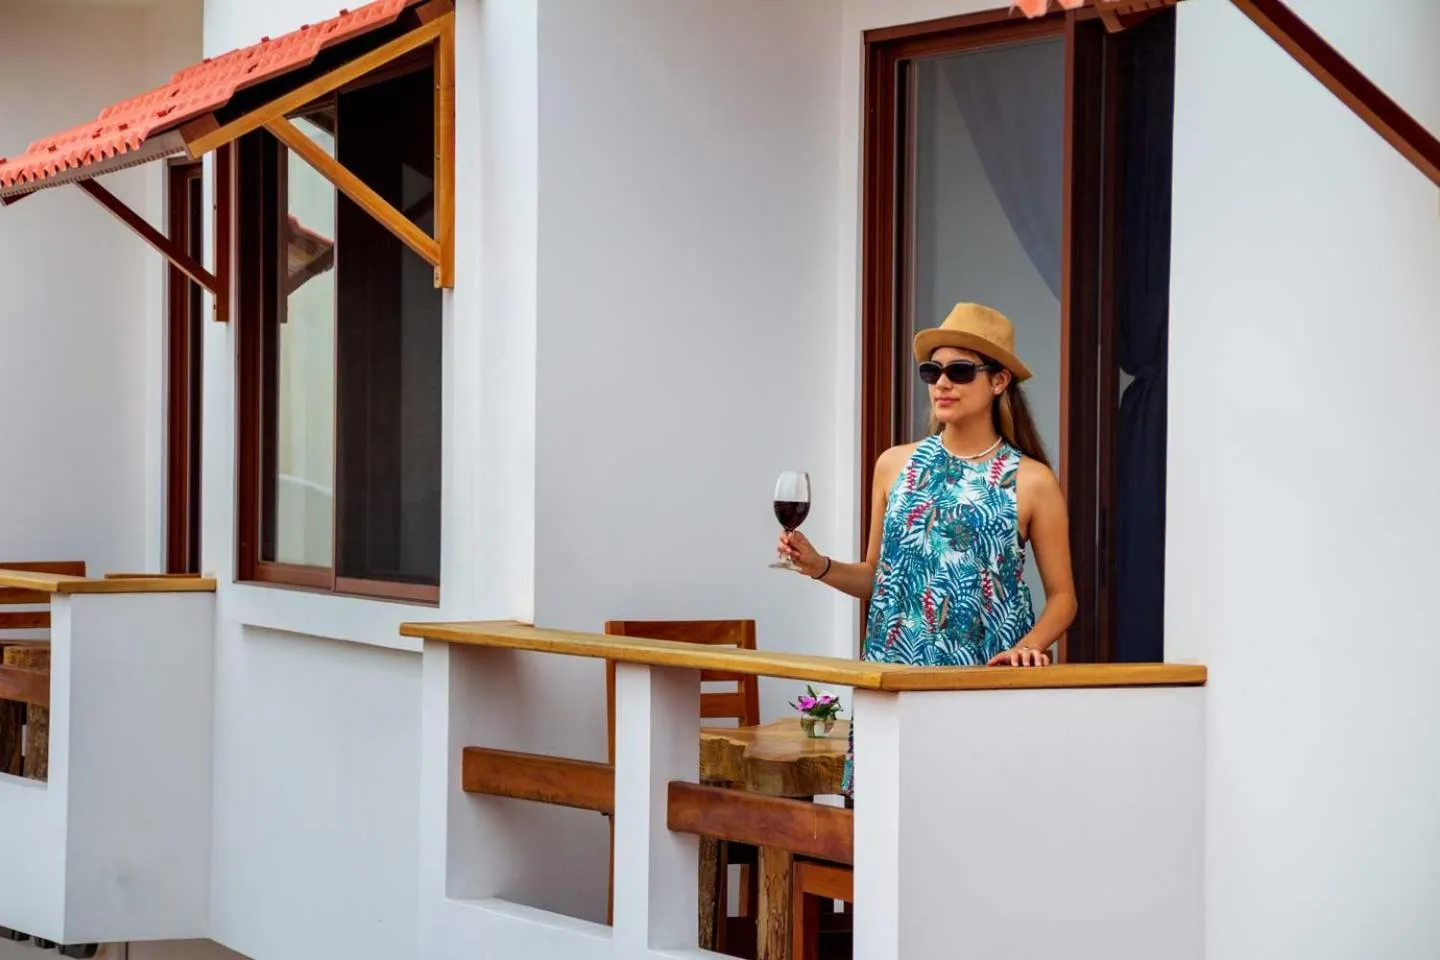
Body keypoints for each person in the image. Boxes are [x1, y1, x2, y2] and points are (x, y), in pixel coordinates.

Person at [777, 302, 1077, 794]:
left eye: (959, 371)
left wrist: (1028, 647)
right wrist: (819, 566)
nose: (942, 383)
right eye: (932, 371)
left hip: (982, 688)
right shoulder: (894, 465)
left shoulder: (1032, 481)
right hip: (892, 681)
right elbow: (879, 578)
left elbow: (1064, 598)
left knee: (974, 822)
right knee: (882, 831)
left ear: (999, 382)